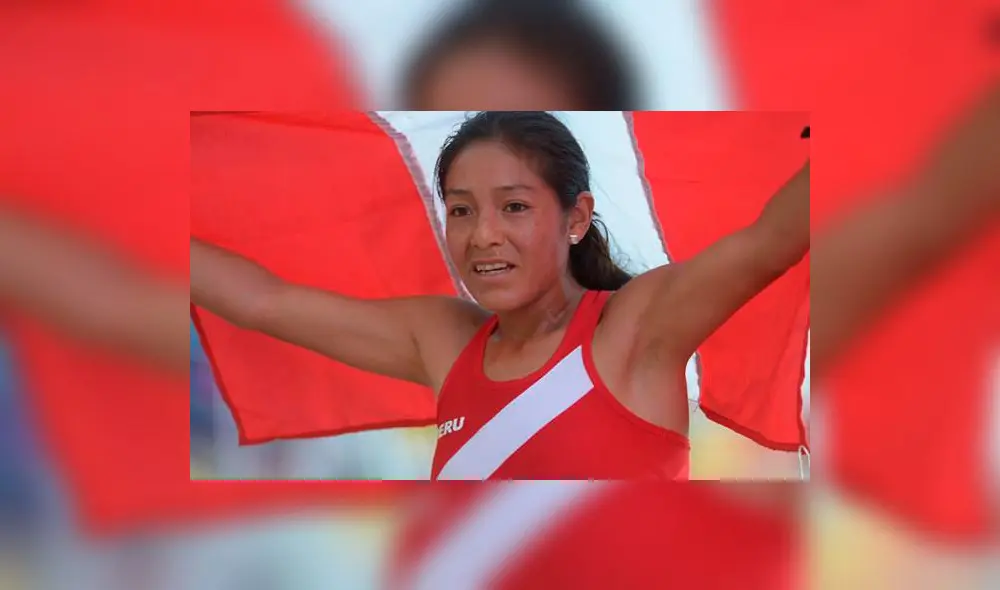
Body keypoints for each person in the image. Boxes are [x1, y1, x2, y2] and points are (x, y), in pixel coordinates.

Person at [190, 111, 810, 480]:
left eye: (514, 207)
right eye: (461, 210)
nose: (483, 235)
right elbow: (261, 302)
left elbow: (774, 239)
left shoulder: (634, 328)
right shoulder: (441, 339)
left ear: (576, 218)